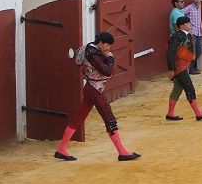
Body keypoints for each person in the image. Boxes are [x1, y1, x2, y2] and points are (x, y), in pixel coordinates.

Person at [54, 32, 140, 161]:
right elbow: (107, 70)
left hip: (91, 88)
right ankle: (122, 152)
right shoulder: (93, 54)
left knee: (78, 119)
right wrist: (110, 58)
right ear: (100, 42)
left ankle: (61, 149)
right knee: (109, 119)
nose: (108, 48)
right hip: (94, 90)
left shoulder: (90, 50)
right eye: (107, 45)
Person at [165, 16, 202, 122]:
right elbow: (170, 53)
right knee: (190, 89)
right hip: (179, 67)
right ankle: (198, 114)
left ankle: (170, 113)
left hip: (183, 66)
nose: (190, 24)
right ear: (182, 26)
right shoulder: (178, 37)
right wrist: (171, 69)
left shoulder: (187, 35)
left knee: (177, 89)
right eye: (187, 23)